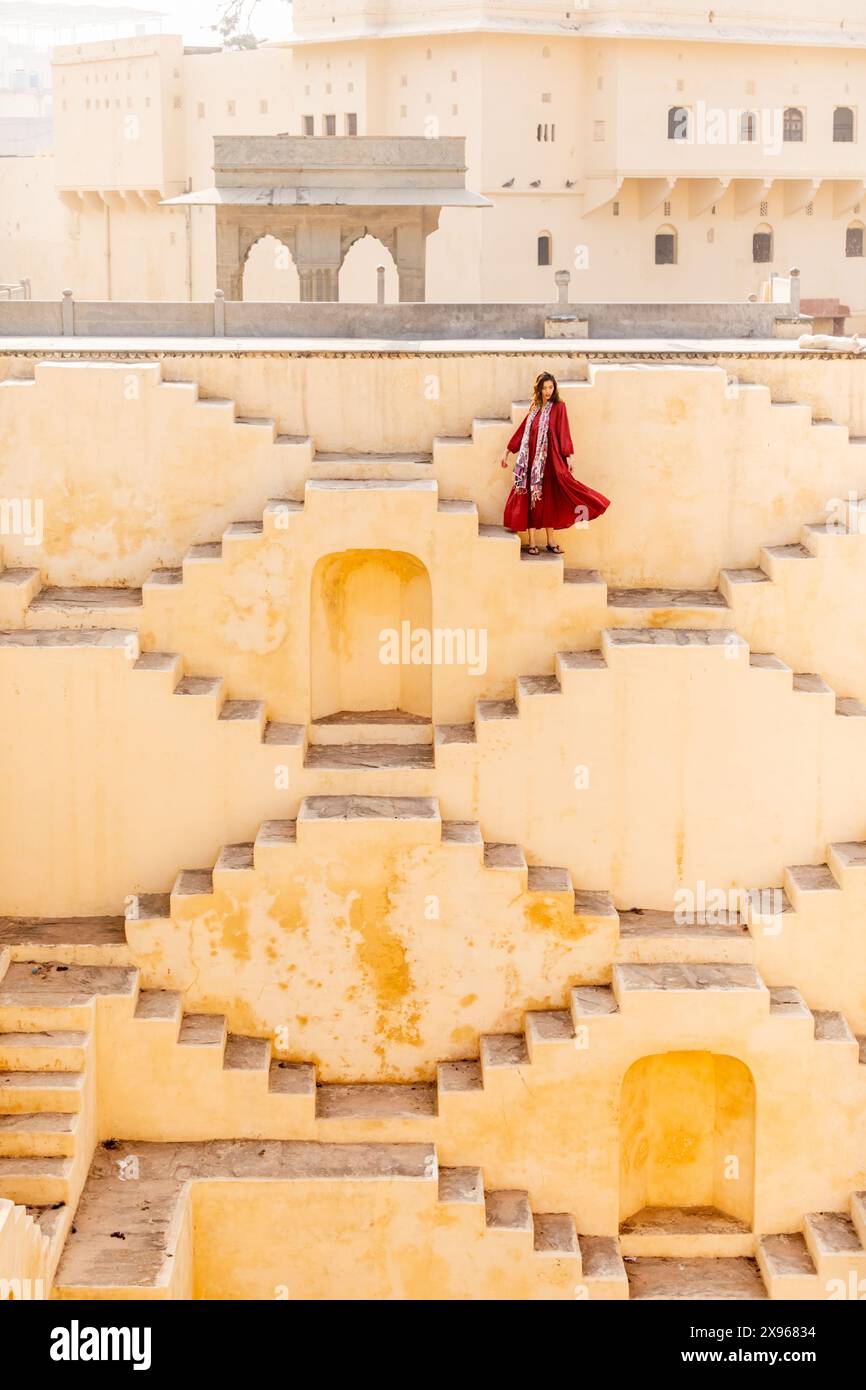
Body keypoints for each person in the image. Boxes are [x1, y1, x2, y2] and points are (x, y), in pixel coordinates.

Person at [500, 371, 610, 554]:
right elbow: (522, 433)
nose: (548, 391)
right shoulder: (534, 408)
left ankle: (551, 541)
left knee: (549, 500)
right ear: (539, 389)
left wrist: (569, 456)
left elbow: (563, 432)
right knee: (530, 499)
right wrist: (507, 451)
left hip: (550, 463)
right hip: (530, 465)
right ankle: (533, 542)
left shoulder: (559, 407)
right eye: (544, 388)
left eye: (551, 387)